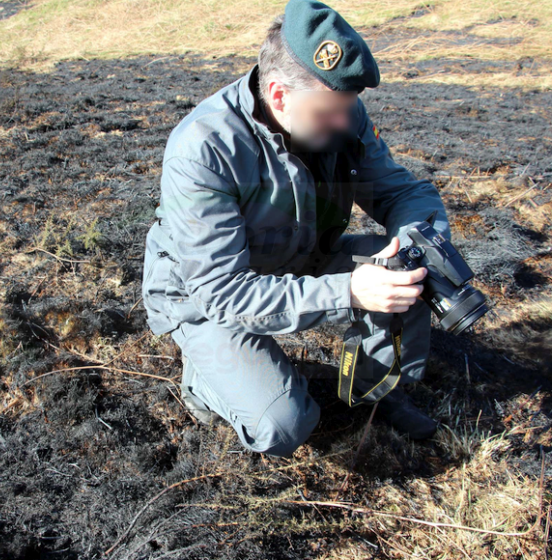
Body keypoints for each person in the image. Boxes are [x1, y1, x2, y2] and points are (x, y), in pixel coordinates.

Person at [140, 0, 451, 458]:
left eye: (349, 107)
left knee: (411, 269)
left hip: (302, 254)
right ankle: (204, 382)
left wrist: (413, 239)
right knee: (285, 424)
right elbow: (222, 291)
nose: (346, 122)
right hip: (204, 297)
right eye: (330, 112)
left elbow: (402, 193)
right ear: (279, 94)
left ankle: (373, 392)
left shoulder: (341, 115)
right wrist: (348, 292)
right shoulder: (204, 149)